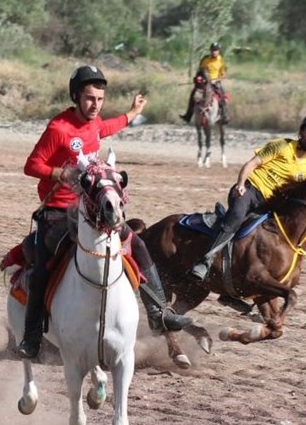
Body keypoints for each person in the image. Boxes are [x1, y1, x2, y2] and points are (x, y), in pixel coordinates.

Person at [16, 65, 193, 359]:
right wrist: (61, 173)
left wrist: (133, 113)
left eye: (99, 99)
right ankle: (32, 336)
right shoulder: (58, 128)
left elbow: (110, 126)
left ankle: (158, 313)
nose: (95, 104)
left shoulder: (96, 124)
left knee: (135, 243)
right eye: (89, 98)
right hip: (58, 212)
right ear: (75, 96)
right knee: (43, 267)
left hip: (91, 208)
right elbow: (31, 165)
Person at [188, 113, 306, 282]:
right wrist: (240, 184)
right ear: (301, 132)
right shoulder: (281, 145)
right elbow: (252, 164)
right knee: (235, 219)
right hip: (249, 191)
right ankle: (205, 262)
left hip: (269, 203)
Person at [180, 42, 228, 124]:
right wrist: (199, 78)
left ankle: (223, 116)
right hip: (204, 82)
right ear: (210, 50)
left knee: (222, 95)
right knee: (193, 94)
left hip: (215, 82)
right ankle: (188, 115)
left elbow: (223, 75)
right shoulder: (205, 59)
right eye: (213, 50)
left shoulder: (221, 61)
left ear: (219, 51)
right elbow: (200, 71)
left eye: (216, 50)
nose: (214, 52)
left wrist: (217, 79)